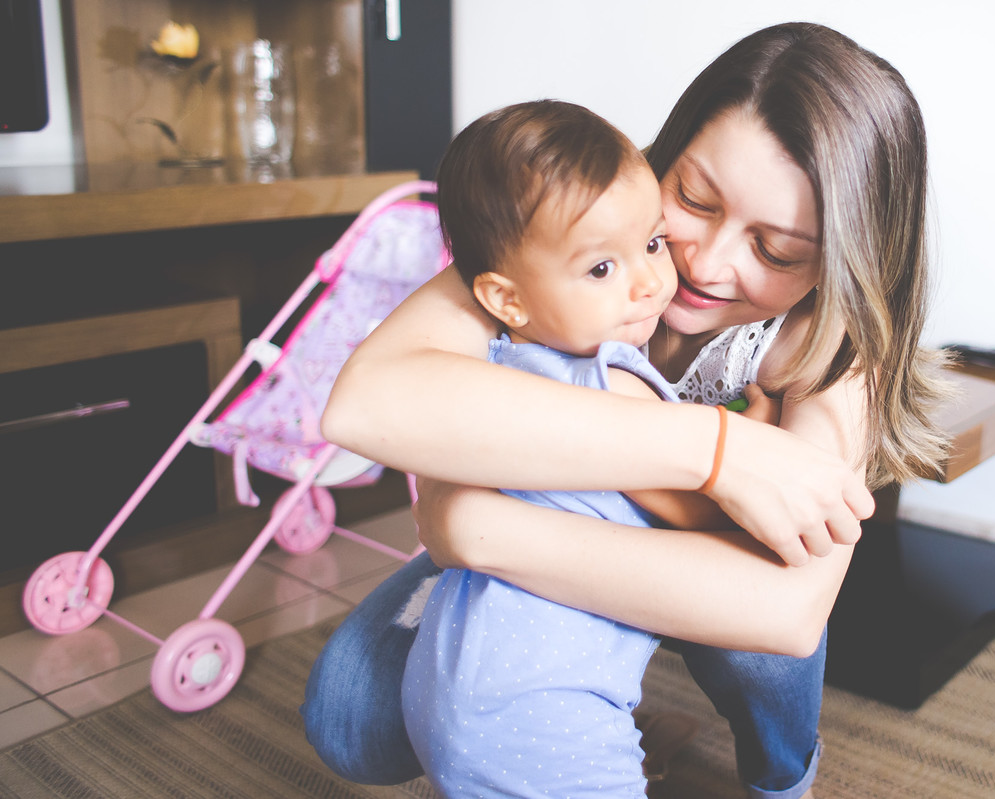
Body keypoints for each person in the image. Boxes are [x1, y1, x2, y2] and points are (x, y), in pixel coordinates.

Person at [304, 21, 948, 799]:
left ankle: (785, 773)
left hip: (651, 557)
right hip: (574, 517)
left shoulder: (832, 339)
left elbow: (786, 612)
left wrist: (479, 529)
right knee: (348, 713)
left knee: (758, 654)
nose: (703, 263)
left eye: (776, 251)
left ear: (845, 259)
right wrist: (718, 449)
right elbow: (366, 403)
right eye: (694, 198)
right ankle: (585, 710)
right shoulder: (586, 216)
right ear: (663, 158)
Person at [402, 98, 739, 797]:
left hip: (451, 682)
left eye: (651, 244)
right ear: (509, 298)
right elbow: (704, 509)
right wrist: (753, 436)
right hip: (547, 713)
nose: (650, 281)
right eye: (600, 270)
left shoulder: (496, 363)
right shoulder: (613, 385)